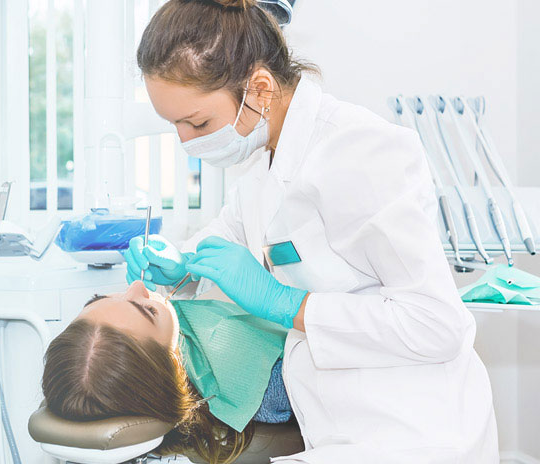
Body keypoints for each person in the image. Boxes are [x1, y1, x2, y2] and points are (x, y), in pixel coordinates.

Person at [121, 0, 498, 461]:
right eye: (174, 125)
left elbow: (437, 324)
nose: (186, 141)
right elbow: (221, 243)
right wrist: (179, 267)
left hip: (414, 430)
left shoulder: (359, 153)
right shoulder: (262, 165)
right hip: (335, 426)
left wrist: (289, 305)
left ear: (259, 88)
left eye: (197, 122)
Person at [43, 281, 293, 463]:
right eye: (148, 310)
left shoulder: (183, 343)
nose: (136, 285)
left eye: (99, 298)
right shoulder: (271, 385)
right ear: (174, 362)